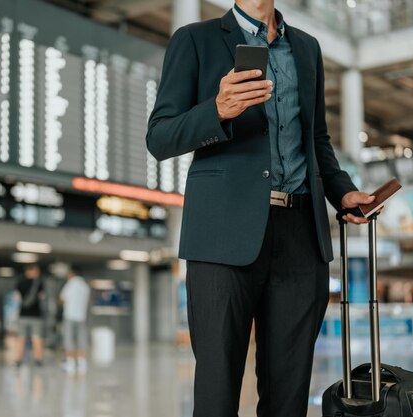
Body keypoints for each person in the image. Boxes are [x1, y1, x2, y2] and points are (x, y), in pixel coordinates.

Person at [146, 1, 374, 416]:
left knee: (289, 395)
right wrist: (217, 110)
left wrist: (342, 192)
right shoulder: (194, 40)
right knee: (217, 392)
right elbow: (160, 137)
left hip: (301, 236)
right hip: (221, 237)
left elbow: (316, 139)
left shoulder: (306, 48)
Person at [59, 267, 90, 374]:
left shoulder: (70, 284)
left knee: (69, 340)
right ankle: (82, 364)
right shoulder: (85, 286)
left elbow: (62, 298)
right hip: (81, 317)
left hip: (70, 316)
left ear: (72, 274)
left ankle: (71, 364)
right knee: (81, 339)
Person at [14, 264, 45, 367]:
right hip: (36, 315)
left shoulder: (20, 283)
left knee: (21, 338)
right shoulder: (39, 284)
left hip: (23, 315)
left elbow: (17, 298)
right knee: (36, 338)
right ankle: (38, 360)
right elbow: (42, 297)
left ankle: (18, 360)